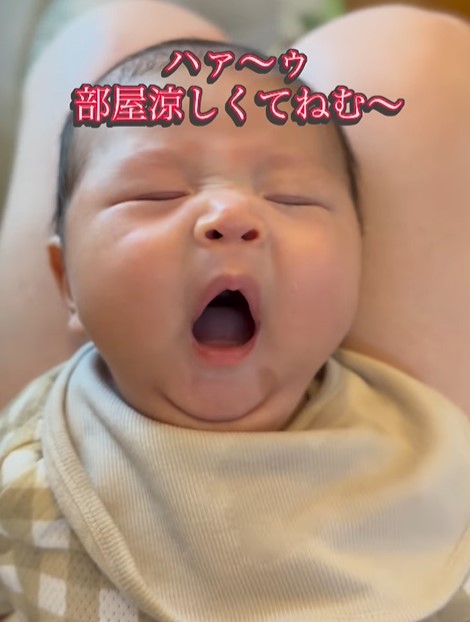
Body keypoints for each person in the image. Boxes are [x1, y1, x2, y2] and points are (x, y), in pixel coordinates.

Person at [1, 35, 470, 622]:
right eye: (155, 194)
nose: (229, 215)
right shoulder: (27, 474)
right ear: (66, 280)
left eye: (291, 198)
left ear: (363, 270)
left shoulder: (418, 461)